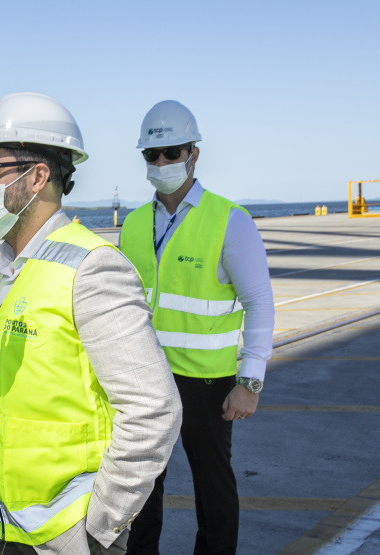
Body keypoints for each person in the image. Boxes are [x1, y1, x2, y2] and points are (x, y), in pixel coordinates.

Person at [0, 92, 183, 555]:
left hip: (68, 537)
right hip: (11, 530)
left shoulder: (92, 268)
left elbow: (154, 409)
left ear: (37, 177)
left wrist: (97, 529)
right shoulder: (2, 273)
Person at [120, 100, 275, 555]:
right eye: (153, 154)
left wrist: (250, 382)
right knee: (141, 491)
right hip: (144, 380)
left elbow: (259, 305)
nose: (163, 162)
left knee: (214, 490)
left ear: (194, 154)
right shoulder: (131, 225)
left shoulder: (230, 221)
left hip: (206, 384)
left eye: (173, 151)